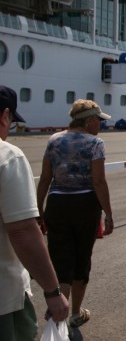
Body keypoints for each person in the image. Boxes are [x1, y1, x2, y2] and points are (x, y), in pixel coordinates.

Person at [36, 99, 114, 331]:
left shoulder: (54, 140)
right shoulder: (95, 143)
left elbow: (45, 177)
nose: (100, 125)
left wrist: (39, 209)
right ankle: (76, 313)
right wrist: (108, 214)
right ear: (89, 121)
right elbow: (99, 181)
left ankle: (58, 313)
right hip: (85, 204)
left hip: (58, 203)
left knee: (60, 259)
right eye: (99, 120)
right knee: (81, 259)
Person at [0, 86, 69, 340]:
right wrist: (53, 292)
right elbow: (22, 231)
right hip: (4, 300)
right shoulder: (7, 156)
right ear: (4, 115)